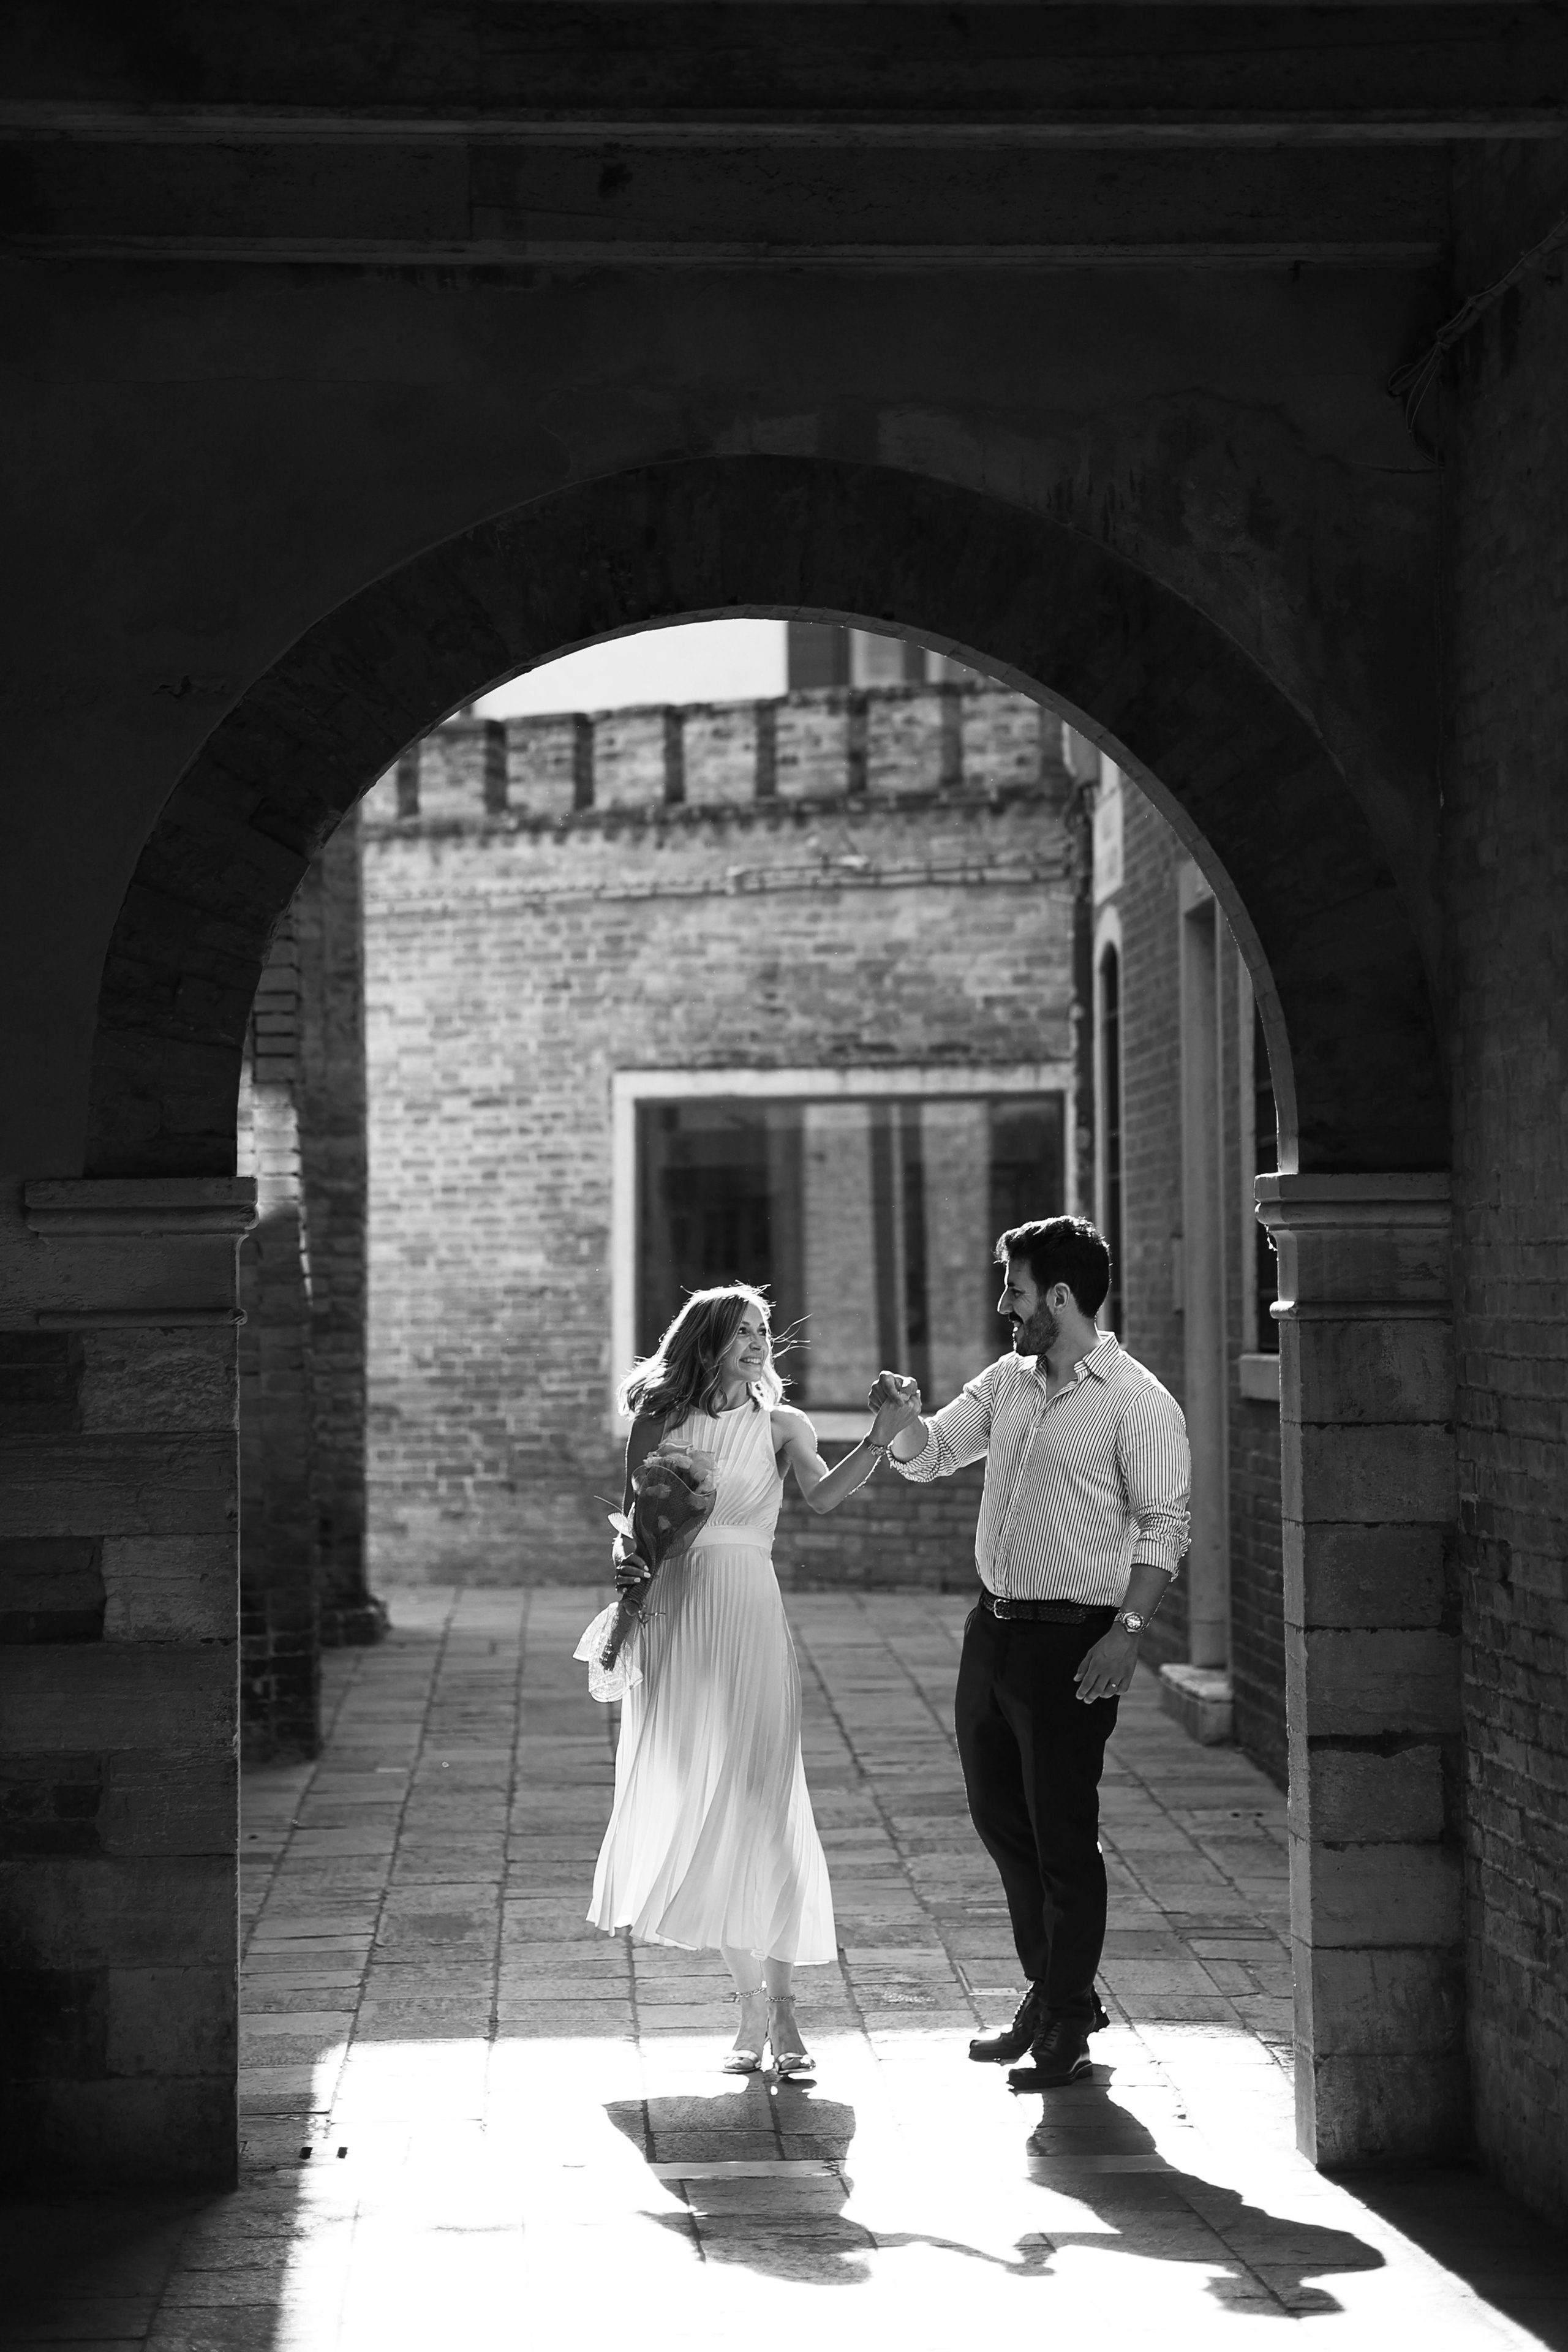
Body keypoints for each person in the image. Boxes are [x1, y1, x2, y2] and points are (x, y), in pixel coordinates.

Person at [869, 1215, 1191, 2090]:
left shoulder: (1136, 1399)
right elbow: (932, 1454)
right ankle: (1059, 1992)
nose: (1002, 1304)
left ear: (1058, 1296)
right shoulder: (1009, 1381)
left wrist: (1127, 1637)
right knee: (998, 1819)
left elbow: (1165, 1525)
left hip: (1074, 1646)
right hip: (995, 1633)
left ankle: (1063, 2020)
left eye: (1013, 1288)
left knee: (1062, 1835)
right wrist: (901, 1422)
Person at [587, 1281, 914, 2075]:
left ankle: (787, 2009)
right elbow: (636, 1530)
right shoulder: (662, 1420)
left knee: (765, 1806)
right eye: (742, 1331)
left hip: (750, 1615)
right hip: (679, 1623)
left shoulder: (783, 1426)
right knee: (703, 1806)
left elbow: (825, 1497)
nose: (759, 1342)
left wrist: (878, 1438)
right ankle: (747, 2007)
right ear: (708, 1342)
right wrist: (627, 1583)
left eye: (764, 1329)